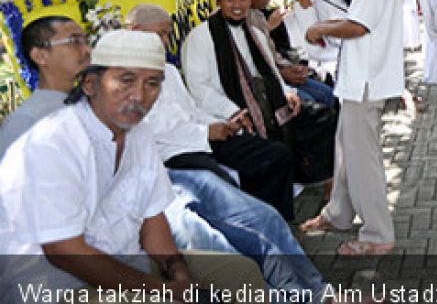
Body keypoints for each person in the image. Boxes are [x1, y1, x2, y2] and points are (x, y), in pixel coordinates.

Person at [0, 30, 262, 300]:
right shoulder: (55, 140)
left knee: (241, 274)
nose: (139, 95)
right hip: (59, 283)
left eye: (152, 83)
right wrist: (160, 290)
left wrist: (178, 271)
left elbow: (153, 219)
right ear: (90, 84)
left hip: (128, 261)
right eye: (125, 80)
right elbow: (64, 251)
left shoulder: (140, 134)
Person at [127, 5, 329, 296]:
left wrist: (222, 123)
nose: (164, 42)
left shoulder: (168, 71)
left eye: (167, 34)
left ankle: (317, 287)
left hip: (201, 143)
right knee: (233, 235)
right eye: (159, 34)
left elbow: (192, 111)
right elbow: (155, 131)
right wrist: (206, 132)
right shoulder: (124, 86)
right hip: (178, 160)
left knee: (272, 169)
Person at [299, 0, 404, 256]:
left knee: (362, 158)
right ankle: (339, 213)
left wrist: (319, 28)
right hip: (358, 78)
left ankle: (377, 234)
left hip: (366, 80)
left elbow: (358, 26)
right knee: (345, 149)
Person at [181, 0, 337, 187]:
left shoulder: (255, 33)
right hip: (229, 115)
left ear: (249, 0)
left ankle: (322, 182)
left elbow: (271, 71)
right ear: (218, 1)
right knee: (274, 151)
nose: (237, 5)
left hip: (268, 106)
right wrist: (232, 111)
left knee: (324, 117)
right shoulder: (200, 38)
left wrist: (286, 92)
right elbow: (199, 89)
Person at [249, 0, 336, 107]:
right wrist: (283, 73)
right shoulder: (240, 20)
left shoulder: (257, 15)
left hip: (278, 74)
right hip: (264, 83)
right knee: (310, 104)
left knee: (328, 94)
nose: (267, 2)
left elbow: (272, 53)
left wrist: (290, 68)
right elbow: (252, 62)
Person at [0, 16, 90, 155]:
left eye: (86, 41)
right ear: (40, 56)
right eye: (74, 41)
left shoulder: (89, 103)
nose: (87, 50)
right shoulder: (26, 120)